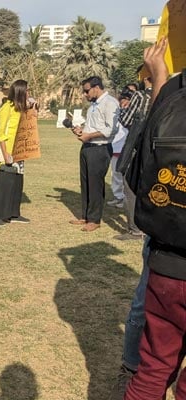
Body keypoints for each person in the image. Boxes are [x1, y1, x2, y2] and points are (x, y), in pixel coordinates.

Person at [122, 36, 186, 400]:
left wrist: (161, 78)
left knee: (154, 367)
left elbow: (140, 169)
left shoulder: (174, 95)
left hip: (165, 262)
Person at [68, 76, 120, 232]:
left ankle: (94, 219)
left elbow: (111, 129)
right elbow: (92, 127)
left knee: (95, 184)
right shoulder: (92, 106)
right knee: (85, 183)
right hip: (87, 148)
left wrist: (90, 136)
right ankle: (85, 215)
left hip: (100, 149)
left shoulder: (110, 103)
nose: (85, 94)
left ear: (96, 87)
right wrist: (82, 130)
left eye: (86, 91)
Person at [0, 80, 33, 226]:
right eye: (27, 91)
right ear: (20, 91)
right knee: (4, 182)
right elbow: (0, 132)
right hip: (7, 149)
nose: (29, 93)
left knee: (17, 182)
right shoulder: (7, 107)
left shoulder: (22, 108)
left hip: (19, 149)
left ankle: (13, 212)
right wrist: (5, 153)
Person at [114, 72, 152, 242]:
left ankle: (135, 230)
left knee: (130, 186)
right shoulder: (170, 93)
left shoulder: (140, 96)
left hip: (137, 147)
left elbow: (127, 120)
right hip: (156, 149)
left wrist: (123, 109)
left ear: (145, 78)